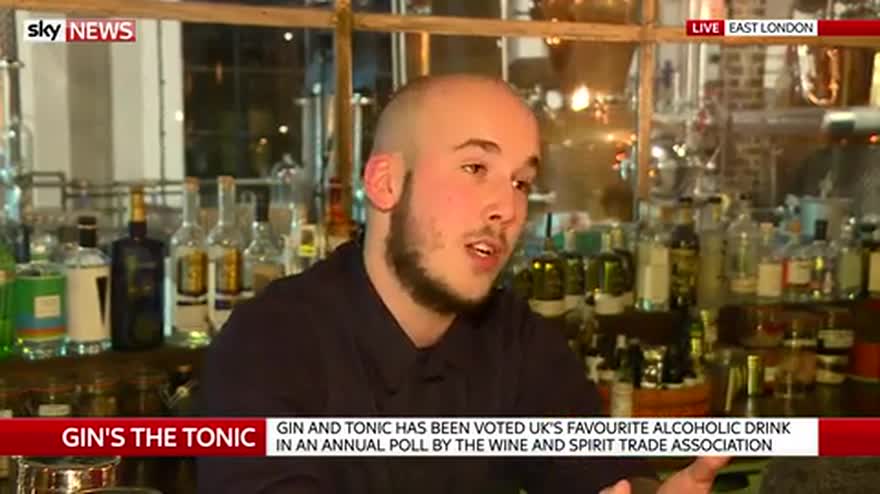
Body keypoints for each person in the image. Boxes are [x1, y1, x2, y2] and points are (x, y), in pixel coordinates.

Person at [197, 74, 729, 494]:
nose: (508, 208)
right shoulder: (269, 346)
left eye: (521, 182)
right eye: (475, 167)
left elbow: (600, 470)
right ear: (385, 183)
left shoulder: (513, 338)